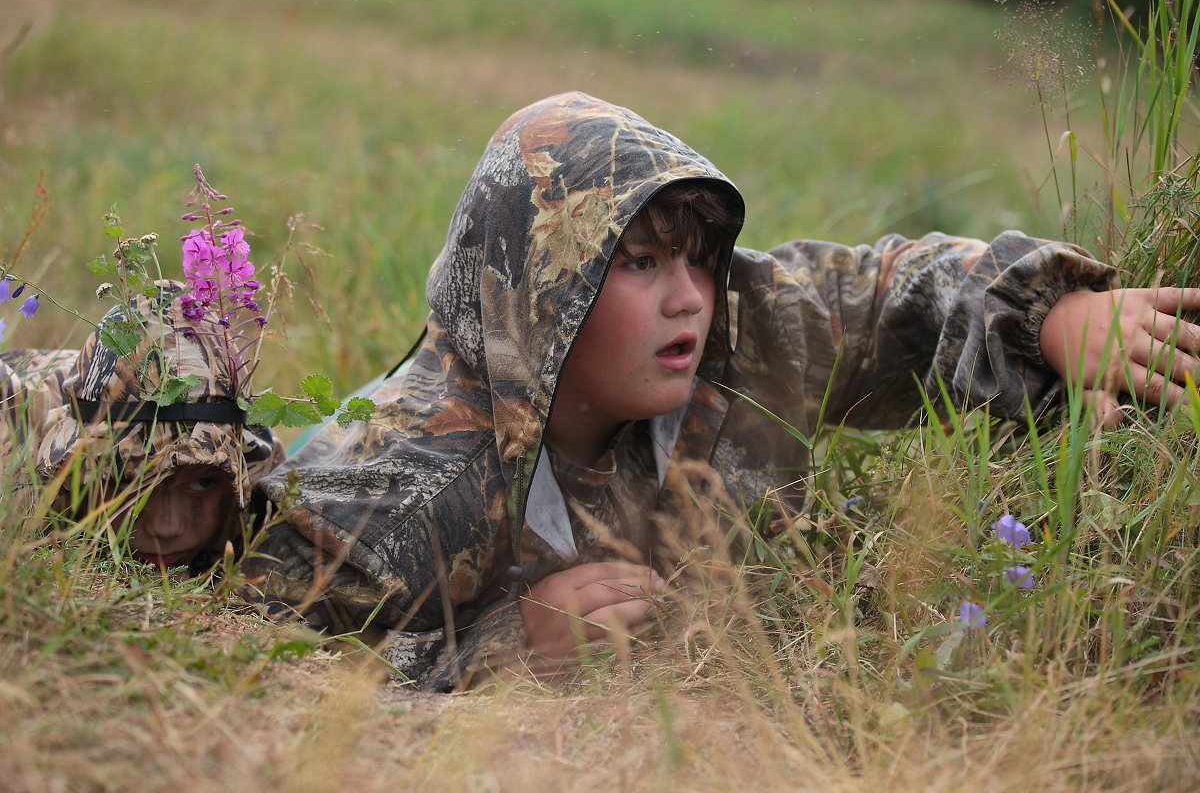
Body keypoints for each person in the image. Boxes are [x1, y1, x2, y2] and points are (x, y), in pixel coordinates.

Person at [248, 91, 1200, 691]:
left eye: (699, 258)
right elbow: (245, 653)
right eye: (641, 261)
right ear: (539, 287)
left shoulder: (741, 332)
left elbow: (892, 290)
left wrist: (1047, 313)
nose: (689, 298)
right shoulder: (387, 482)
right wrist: (503, 648)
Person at [1, 281, 284, 572]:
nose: (166, 527)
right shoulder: (15, 460)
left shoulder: (261, 477)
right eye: (126, 479)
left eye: (202, 482)